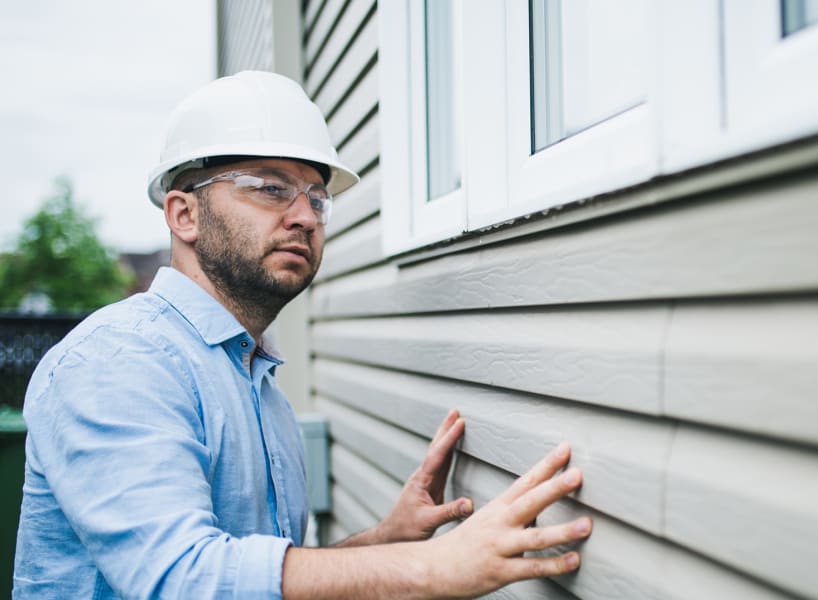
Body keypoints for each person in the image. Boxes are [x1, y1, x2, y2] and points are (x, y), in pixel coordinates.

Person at [13, 70, 591, 599]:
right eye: (269, 188)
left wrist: (385, 541)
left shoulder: (257, 384)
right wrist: (430, 569)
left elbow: (256, 580)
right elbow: (182, 578)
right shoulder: (119, 361)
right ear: (183, 214)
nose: (306, 216)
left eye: (317, 198)